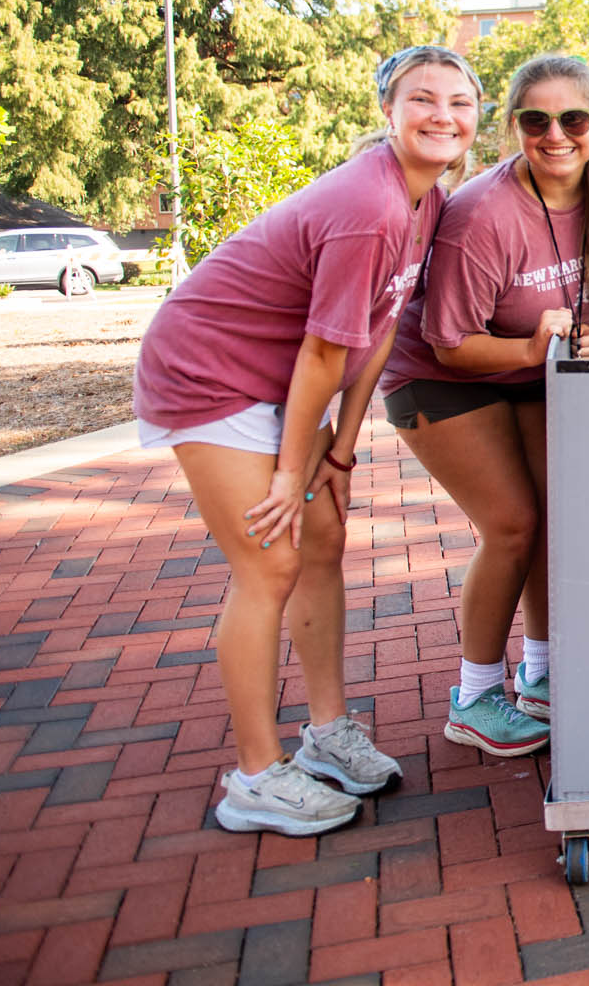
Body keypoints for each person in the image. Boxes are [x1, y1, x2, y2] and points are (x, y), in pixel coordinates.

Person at [131, 45, 480, 836]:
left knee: (324, 537)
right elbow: (325, 353)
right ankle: (254, 779)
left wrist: (342, 450)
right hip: (209, 370)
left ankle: (327, 736)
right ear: (386, 112)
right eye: (422, 99)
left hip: (282, 378)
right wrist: (292, 472)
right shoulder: (373, 204)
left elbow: (380, 329)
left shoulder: (427, 200)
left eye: (459, 103)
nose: (442, 116)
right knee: (272, 558)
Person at [380, 54, 589, 758]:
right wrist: (539, 348)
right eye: (536, 120)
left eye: (573, 118)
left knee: (557, 514)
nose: (556, 134)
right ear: (514, 127)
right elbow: (449, 345)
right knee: (512, 523)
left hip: (536, 366)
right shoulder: (484, 213)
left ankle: (541, 674)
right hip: (446, 375)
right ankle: (476, 696)